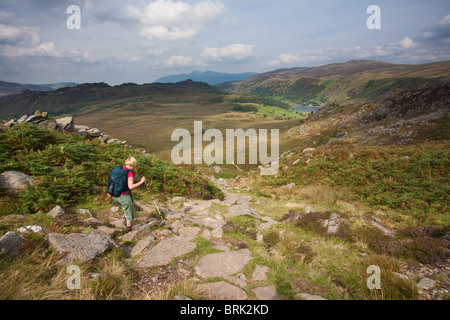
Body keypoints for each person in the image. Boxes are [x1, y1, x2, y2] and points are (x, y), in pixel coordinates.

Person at [112, 156, 146, 233]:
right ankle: (128, 229)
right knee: (130, 212)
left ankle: (126, 222)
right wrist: (141, 182)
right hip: (124, 196)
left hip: (115, 195)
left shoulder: (120, 170)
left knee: (125, 208)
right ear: (134, 164)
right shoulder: (129, 172)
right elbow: (130, 186)